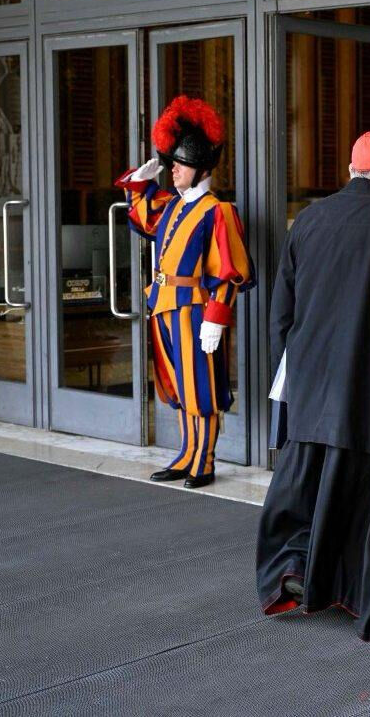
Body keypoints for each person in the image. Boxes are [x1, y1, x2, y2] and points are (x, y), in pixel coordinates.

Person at [255, 130, 370, 640]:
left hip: (312, 378)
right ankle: (359, 592)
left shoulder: (309, 218)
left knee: (303, 482)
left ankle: (294, 575)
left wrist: (286, 372)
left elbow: (281, 309)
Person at [115, 95, 254, 490]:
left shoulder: (217, 211)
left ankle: (204, 460)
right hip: (164, 306)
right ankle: (186, 454)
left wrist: (216, 318)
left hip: (194, 309)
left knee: (200, 387)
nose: (172, 169)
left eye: (180, 164)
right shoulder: (173, 206)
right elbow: (142, 219)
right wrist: (139, 182)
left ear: (201, 169)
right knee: (178, 386)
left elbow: (228, 272)